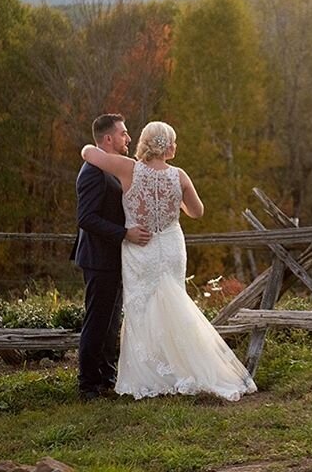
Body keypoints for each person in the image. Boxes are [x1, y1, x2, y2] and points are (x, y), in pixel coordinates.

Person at [81, 120, 257, 401]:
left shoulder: (129, 168)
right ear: (168, 146)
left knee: (142, 307)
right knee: (175, 303)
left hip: (142, 246)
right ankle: (185, 367)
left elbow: (89, 154)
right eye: (174, 141)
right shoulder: (180, 176)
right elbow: (197, 212)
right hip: (171, 244)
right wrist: (177, 204)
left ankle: (149, 372)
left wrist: (90, 145)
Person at [71, 114, 152, 401]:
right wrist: (124, 234)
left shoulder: (110, 168)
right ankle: (88, 385)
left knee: (110, 322)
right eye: (123, 133)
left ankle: (106, 376)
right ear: (108, 139)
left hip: (115, 259)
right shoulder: (92, 172)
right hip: (98, 258)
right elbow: (87, 218)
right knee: (97, 321)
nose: (128, 138)